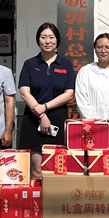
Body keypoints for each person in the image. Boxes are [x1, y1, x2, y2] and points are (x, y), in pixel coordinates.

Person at [18, 23, 76, 179]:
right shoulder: (30, 64)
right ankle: (37, 196)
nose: (47, 41)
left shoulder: (66, 64)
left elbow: (69, 93)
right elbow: (24, 92)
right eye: (43, 37)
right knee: (37, 169)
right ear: (38, 40)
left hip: (58, 118)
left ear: (57, 40)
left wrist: (45, 107)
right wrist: (42, 115)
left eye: (51, 37)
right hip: (34, 118)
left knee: (58, 168)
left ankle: (55, 196)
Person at [74, 33, 109, 145]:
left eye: (107, 47)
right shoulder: (85, 71)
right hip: (91, 129)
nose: (103, 50)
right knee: (91, 156)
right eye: (99, 47)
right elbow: (82, 103)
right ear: (95, 50)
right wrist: (100, 126)